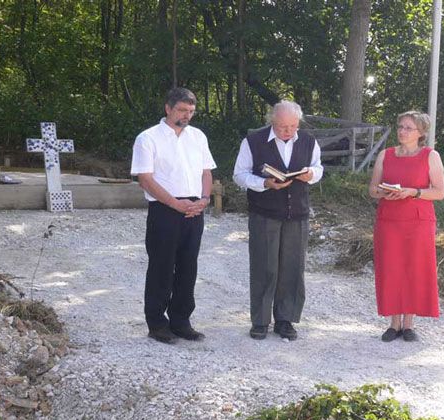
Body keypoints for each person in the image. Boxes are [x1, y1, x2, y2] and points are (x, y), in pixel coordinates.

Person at [130, 88, 217, 344]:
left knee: (188, 267)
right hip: (164, 210)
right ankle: (157, 324)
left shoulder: (198, 137)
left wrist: (204, 199)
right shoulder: (148, 138)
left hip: (194, 209)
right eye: (181, 110)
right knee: (161, 266)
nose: (186, 115)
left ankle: (181, 321)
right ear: (168, 108)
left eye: (191, 111)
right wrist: (175, 204)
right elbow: (145, 179)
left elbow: (206, 172)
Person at [233, 100, 323, 340]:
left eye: (293, 126)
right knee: (264, 266)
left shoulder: (308, 140)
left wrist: (310, 174)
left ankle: (285, 320)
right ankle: (260, 321)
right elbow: (239, 175)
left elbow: (318, 168)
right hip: (264, 213)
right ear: (272, 121)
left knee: (293, 267)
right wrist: (264, 183)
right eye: (283, 126)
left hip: (298, 213)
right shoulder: (253, 141)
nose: (289, 131)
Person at [368, 110, 444, 342]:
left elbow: (439, 192)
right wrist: (385, 191)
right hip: (389, 219)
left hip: (418, 220)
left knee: (414, 268)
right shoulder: (386, 154)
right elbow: (373, 189)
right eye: (400, 126)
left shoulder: (431, 156)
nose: (402, 131)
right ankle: (394, 324)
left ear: (420, 132)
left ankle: (409, 324)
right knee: (390, 267)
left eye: (408, 128)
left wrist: (414, 192)